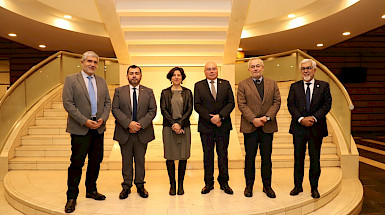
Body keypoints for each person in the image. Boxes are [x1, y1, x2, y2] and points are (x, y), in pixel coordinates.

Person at [62, 51, 111, 213]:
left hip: (98, 128)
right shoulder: (71, 80)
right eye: (89, 61)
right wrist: (84, 121)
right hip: (80, 129)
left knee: (96, 161)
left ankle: (91, 190)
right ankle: (72, 197)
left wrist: (102, 119)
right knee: (77, 163)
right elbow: (68, 104)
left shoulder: (102, 81)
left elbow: (107, 103)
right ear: (82, 63)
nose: (92, 65)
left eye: (95, 62)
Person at [287, 59, 332, 199]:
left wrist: (313, 118)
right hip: (299, 128)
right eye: (303, 69)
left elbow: (326, 105)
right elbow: (291, 105)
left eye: (308, 68)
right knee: (298, 158)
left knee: (315, 158)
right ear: (300, 71)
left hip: (316, 128)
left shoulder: (324, 86)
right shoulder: (294, 86)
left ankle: (314, 187)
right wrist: (301, 119)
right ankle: (298, 186)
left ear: (314, 70)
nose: (305, 71)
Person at [237, 58, 281, 198]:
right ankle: (249, 186)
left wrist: (267, 117)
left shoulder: (272, 83)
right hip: (250, 127)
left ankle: (267, 186)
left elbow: (277, 101)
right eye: (252, 67)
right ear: (249, 69)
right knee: (250, 158)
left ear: (262, 68)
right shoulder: (243, 84)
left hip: (267, 127)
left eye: (257, 66)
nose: (255, 69)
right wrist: (253, 119)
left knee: (266, 158)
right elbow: (241, 104)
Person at [112, 65, 157, 199]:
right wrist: (128, 123)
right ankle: (126, 186)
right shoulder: (119, 91)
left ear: (141, 76)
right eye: (131, 73)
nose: (134, 76)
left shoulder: (148, 91)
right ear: (127, 76)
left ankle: (140, 185)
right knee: (126, 160)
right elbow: (115, 109)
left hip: (142, 132)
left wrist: (140, 124)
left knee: (140, 160)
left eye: (136, 73)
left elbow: (152, 110)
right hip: (124, 132)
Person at [194, 61, 235, 195]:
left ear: (217, 70)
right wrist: (211, 118)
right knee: (208, 156)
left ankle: (224, 183)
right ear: (204, 71)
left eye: (214, 69)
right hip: (206, 127)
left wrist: (220, 117)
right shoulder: (198, 85)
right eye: (208, 69)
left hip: (223, 126)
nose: (211, 71)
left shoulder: (226, 84)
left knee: (223, 155)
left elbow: (231, 103)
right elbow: (197, 105)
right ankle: (208, 183)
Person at [160, 67, 193, 195]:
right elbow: (163, 110)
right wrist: (173, 124)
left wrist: (180, 124)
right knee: (170, 157)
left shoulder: (188, 92)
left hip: (184, 127)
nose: (176, 77)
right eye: (174, 75)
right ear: (170, 77)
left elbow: (189, 109)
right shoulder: (165, 92)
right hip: (169, 128)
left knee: (183, 156)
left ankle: (180, 185)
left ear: (182, 77)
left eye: (179, 75)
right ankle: (172, 185)